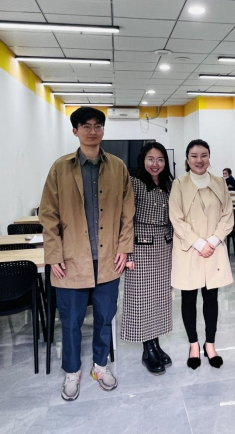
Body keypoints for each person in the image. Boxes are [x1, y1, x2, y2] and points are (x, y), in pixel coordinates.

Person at [39, 107, 134, 401]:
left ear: (103, 130)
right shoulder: (60, 168)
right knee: (71, 321)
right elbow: (48, 214)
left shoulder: (118, 167)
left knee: (105, 317)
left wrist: (124, 247)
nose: (93, 131)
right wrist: (53, 255)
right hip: (71, 260)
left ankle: (100, 366)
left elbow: (127, 212)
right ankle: (72, 371)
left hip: (108, 259)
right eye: (86, 126)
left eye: (98, 126)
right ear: (75, 131)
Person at [169, 139, 234, 370]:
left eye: (204, 155)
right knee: (188, 299)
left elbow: (227, 215)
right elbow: (176, 218)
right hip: (189, 250)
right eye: (194, 156)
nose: (199, 160)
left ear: (209, 157)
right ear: (187, 159)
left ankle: (210, 344)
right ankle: (194, 345)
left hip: (213, 250)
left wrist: (213, 241)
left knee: (211, 299)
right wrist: (198, 243)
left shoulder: (219, 182)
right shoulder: (179, 184)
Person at [121, 142, 174, 375]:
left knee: (160, 298)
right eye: (151, 159)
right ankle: (147, 349)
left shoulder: (169, 184)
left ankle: (156, 344)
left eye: (160, 159)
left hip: (165, 247)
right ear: (143, 160)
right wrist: (128, 253)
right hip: (140, 247)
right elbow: (125, 220)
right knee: (142, 299)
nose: (155, 164)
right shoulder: (134, 183)